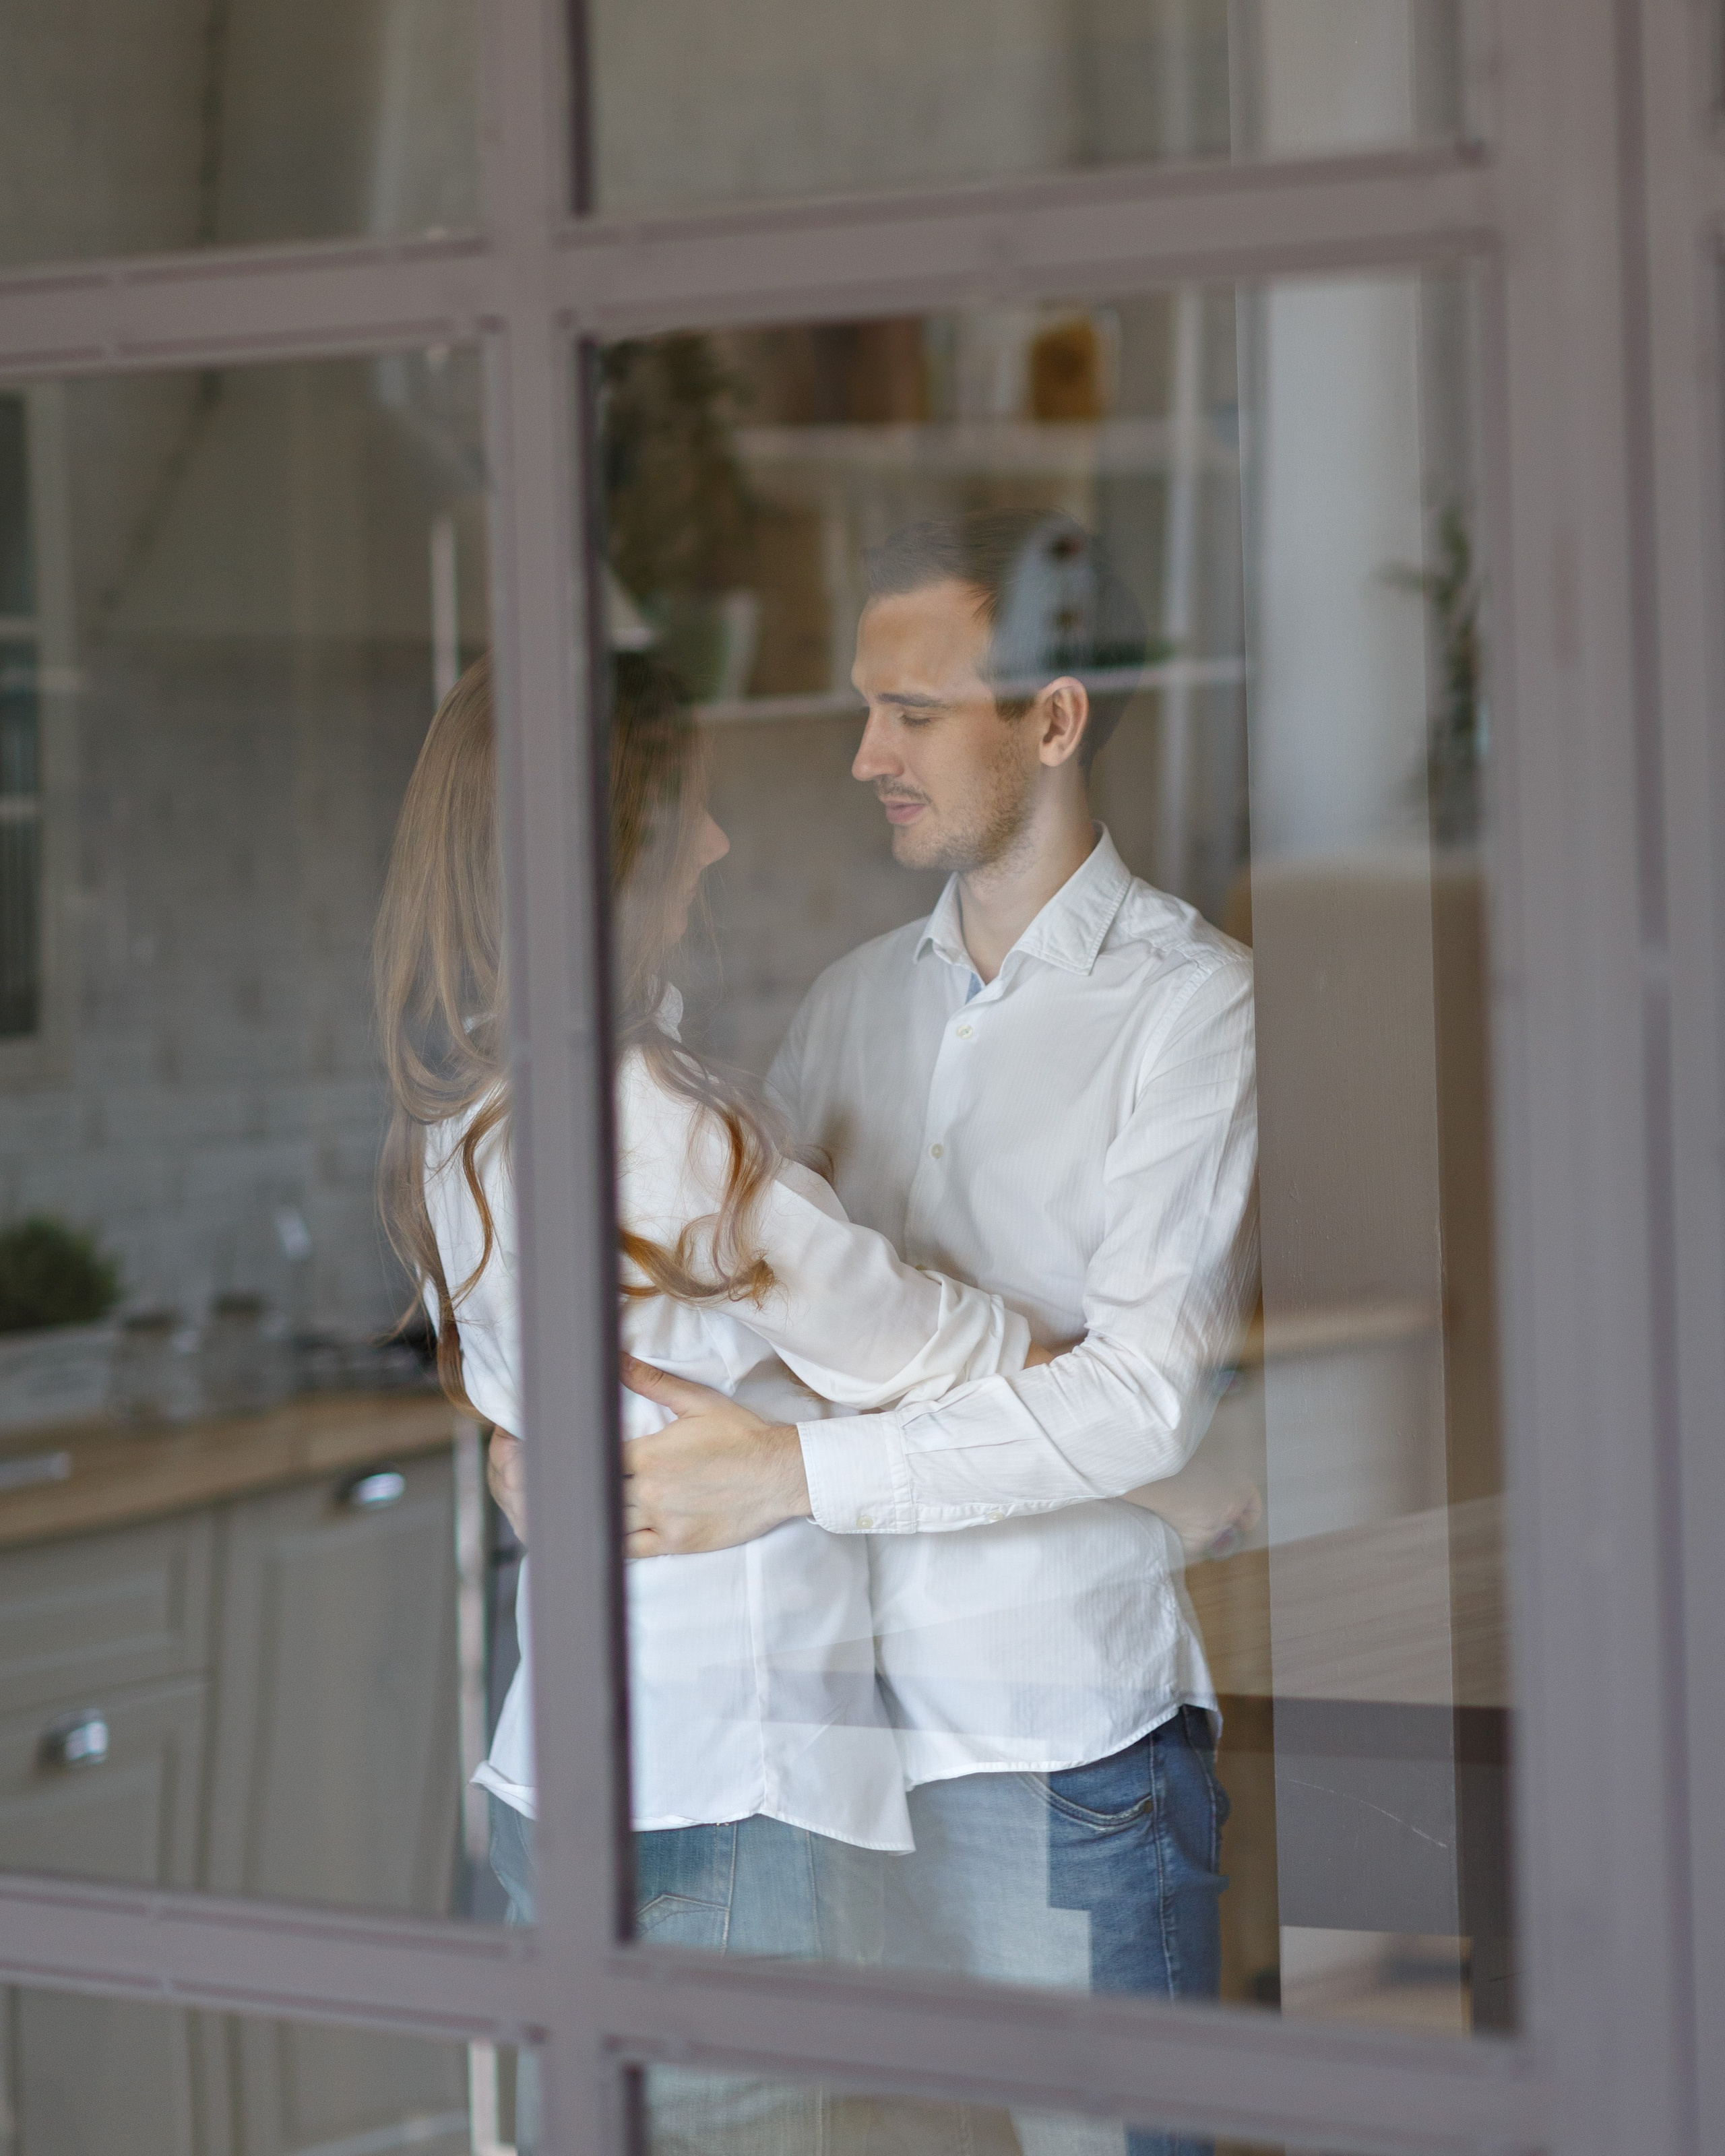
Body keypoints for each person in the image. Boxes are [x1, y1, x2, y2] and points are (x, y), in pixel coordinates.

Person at [622, 510, 1259, 2156]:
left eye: (909, 712)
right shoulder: (845, 1005)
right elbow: (732, 1310)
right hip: (838, 1756)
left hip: (1060, 1754)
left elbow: (1138, 1406)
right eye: (864, 705)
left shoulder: (1191, 1004)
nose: (861, 754)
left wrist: (788, 1478)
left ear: (1052, 718)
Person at [373, 650, 1050, 2155]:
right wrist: (1079, 1354)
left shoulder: (460, 1118)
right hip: (724, 1794)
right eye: (686, 811)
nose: (718, 844)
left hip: (569, 1770)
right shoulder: (652, 1128)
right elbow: (918, 1343)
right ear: (602, 854)